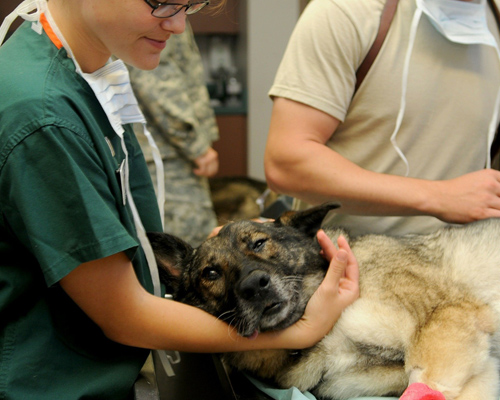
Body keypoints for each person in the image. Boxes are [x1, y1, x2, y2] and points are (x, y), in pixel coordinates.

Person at [0, 0, 359, 399]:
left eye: (190, 6)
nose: (176, 25)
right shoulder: (44, 116)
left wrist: (225, 255)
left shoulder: (88, 76)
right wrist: (302, 328)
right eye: (161, 2)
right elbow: (125, 315)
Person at [265, 0, 500, 237]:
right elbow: (285, 164)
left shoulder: (495, 19)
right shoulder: (346, 11)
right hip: (350, 261)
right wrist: (439, 196)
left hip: (468, 260)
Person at [129, 21, 220, 247]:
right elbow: (156, 82)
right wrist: (196, 146)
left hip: (161, 151)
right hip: (166, 155)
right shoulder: (161, 11)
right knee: (187, 252)